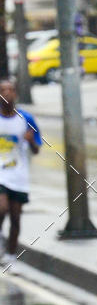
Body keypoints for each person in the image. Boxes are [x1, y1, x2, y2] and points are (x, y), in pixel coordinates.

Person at [0, 77, 42, 269]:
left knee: (16, 218)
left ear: (15, 94)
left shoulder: (26, 119)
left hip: (19, 175)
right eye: (3, 90)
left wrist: (31, 140)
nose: (7, 93)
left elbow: (36, 150)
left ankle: (10, 256)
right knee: (2, 208)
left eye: (10, 90)